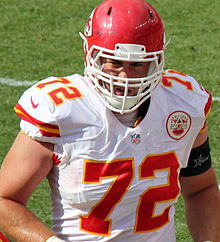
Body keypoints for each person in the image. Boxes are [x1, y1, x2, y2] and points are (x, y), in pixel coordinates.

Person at [0, 0, 219, 241]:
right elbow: (5, 201)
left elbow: (201, 189)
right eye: (115, 62)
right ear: (92, 56)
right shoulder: (62, 112)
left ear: (157, 61)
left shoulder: (181, 105)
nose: (125, 76)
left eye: (137, 64)